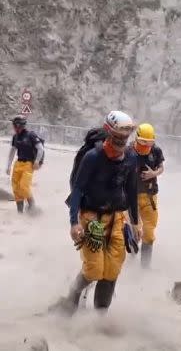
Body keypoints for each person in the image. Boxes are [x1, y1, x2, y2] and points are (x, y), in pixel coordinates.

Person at [60, 110, 142, 314]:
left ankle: (100, 316)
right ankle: (72, 297)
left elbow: (131, 190)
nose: (122, 141)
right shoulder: (93, 157)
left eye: (125, 136)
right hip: (91, 218)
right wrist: (74, 223)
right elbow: (78, 189)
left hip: (116, 218)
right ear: (108, 133)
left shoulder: (131, 157)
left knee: (113, 268)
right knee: (94, 269)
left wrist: (135, 221)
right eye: (117, 136)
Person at [132, 123, 165, 269]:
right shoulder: (128, 152)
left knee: (149, 233)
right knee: (134, 229)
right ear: (136, 138)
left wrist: (154, 173)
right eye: (143, 142)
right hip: (130, 198)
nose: (146, 146)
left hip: (150, 197)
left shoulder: (156, 151)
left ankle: (144, 267)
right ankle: (131, 251)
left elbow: (161, 168)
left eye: (150, 142)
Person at [4, 115, 44, 214]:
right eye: (14, 125)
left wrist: (37, 161)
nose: (14, 127)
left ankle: (32, 206)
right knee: (16, 188)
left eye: (15, 125)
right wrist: (9, 165)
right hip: (18, 163)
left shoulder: (31, 135)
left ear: (20, 125)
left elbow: (40, 149)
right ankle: (20, 212)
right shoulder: (15, 136)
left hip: (28, 164)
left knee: (24, 187)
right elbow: (12, 151)